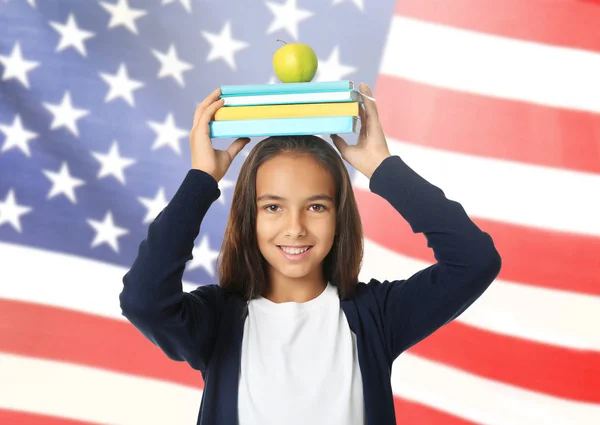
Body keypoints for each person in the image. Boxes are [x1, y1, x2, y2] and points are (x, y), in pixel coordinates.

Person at [119, 83, 502, 425]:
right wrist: (201, 180)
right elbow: (143, 299)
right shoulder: (218, 320)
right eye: (273, 207)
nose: (295, 226)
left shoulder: (377, 317)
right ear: (249, 217)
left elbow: (473, 260)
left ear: (340, 217)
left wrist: (382, 169)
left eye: (316, 207)